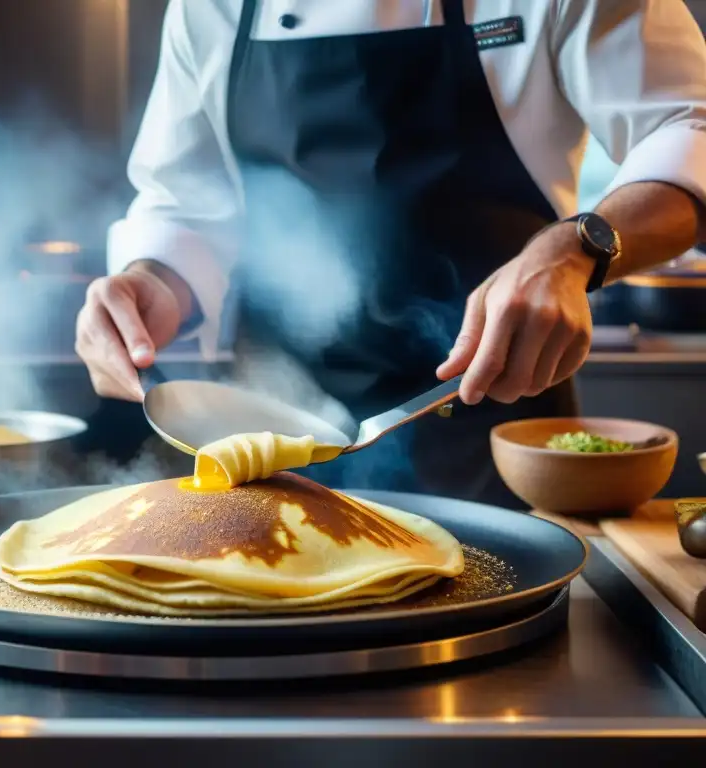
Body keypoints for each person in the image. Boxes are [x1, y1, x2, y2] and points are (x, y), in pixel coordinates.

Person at [75, 0, 706, 507]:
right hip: (266, 427)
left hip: (489, 428)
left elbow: (690, 124)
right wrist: (150, 282)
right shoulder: (211, 8)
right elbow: (186, 204)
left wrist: (574, 249)